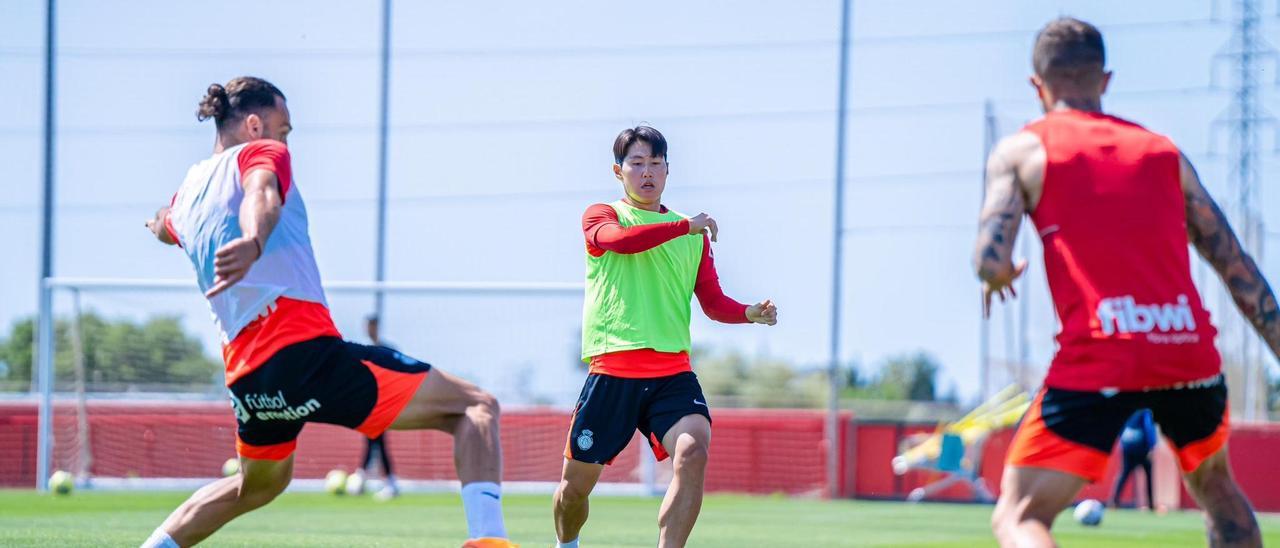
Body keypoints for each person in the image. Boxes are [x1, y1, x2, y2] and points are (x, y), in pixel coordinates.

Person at [141, 77, 513, 548]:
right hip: (304, 353)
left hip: (249, 379)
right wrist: (254, 241)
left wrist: (157, 222)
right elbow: (262, 194)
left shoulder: (187, 194)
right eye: (283, 128)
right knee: (475, 407)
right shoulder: (262, 153)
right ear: (255, 125)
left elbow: (163, 224)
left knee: (258, 485)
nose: (286, 141)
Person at [975, 18, 1277, 547]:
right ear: (1105, 80)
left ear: (1036, 85)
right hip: (1187, 352)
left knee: (1020, 516)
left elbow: (987, 258)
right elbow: (1237, 268)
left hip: (1102, 352)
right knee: (1219, 493)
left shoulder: (1023, 150)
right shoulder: (1163, 153)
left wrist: (998, 274)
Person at [552, 126, 778, 548]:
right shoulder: (603, 216)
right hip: (612, 373)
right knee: (573, 491)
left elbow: (712, 302)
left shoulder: (691, 236)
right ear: (618, 171)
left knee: (693, 453)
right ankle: (566, 544)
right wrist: (682, 226)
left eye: (655, 163)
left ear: (668, 170)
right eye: (636, 163)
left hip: (672, 374)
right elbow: (619, 242)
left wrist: (748, 313)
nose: (647, 172)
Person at [1110, 409, 1157, 510]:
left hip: (1128, 448)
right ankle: (1151, 505)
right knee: (1148, 476)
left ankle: (1114, 502)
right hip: (1143, 450)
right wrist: (1152, 447)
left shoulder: (1129, 408)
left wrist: (1122, 445)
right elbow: (1149, 428)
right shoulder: (1145, 411)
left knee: (1123, 474)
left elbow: (1120, 428)